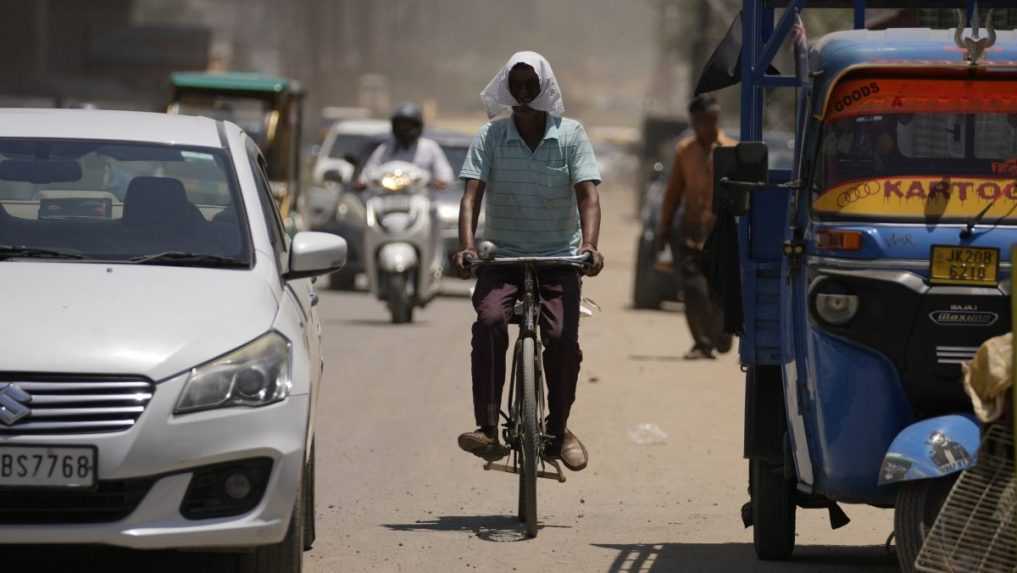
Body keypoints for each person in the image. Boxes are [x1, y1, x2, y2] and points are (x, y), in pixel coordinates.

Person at [453, 51, 604, 472]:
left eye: (529, 85)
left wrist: (589, 247)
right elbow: (470, 197)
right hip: (501, 257)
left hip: (560, 258)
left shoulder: (571, 135)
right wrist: (467, 247)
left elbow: (588, 196)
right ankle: (487, 427)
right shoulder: (491, 136)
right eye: (515, 85)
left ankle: (557, 430)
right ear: (506, 88)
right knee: (488, 323)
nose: (521, 93)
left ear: (545, 88)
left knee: (561, 340)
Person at [656, 94, 735, 360]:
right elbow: (673, 193)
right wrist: (664, 228)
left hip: (721, 235)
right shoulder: (685, 151)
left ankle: (721, 334)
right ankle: (702, 343)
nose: (710, 126)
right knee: (693, 289)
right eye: (704, 120)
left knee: (718, 292)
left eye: (714, 120)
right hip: (690, 233)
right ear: (694, 121)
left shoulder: (732, 150)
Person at [356, 102, 454, 189]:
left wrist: (432, 183)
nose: (404, 130)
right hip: (387, 199)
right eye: (400, 126)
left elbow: (445, 177)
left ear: (417, 126)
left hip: (421, 200)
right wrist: (363, 183)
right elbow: (367, 175)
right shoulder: (385, 148)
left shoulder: (429, 148)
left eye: (408, 126)